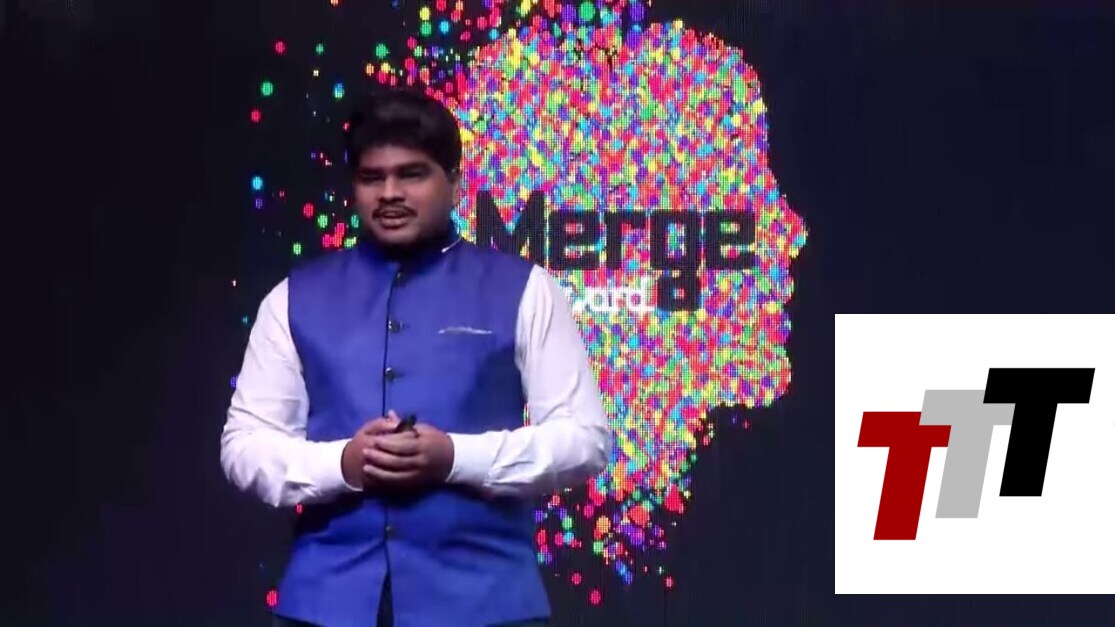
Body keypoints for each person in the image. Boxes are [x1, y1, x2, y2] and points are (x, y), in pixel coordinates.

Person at [220, 85, 613, 627]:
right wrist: (344, 464)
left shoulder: (526, 289)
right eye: (371, 177)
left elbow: (584, 441)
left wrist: (454, 457)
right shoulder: (293, 298)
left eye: (412, 174)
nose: (390, 193)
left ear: (454, 181)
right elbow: (244, 447)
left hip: (488, 607)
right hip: (323, 607)